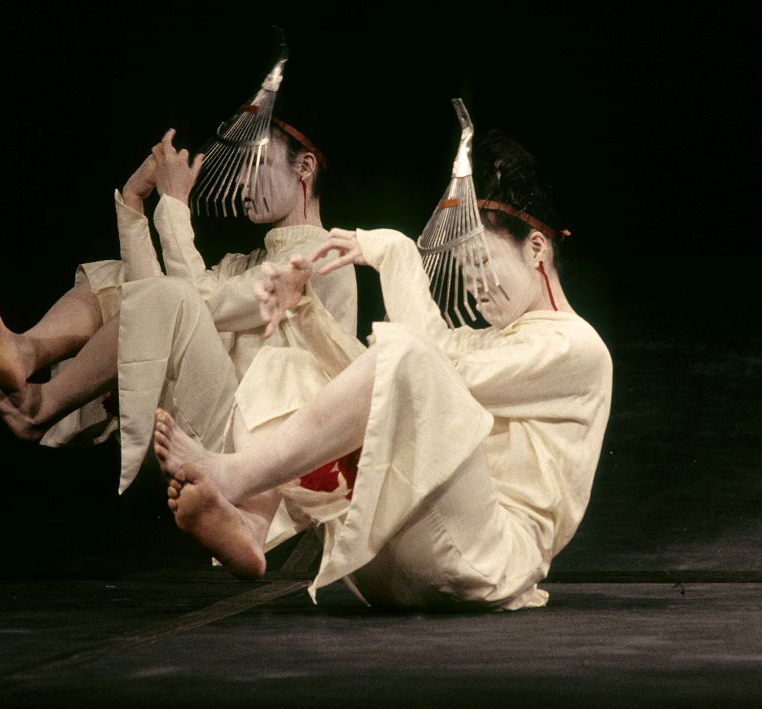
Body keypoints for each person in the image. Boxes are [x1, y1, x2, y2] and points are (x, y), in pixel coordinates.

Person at [151, 132, 613, 609]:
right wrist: (302, 311)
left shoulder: (578, 347)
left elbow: (430, 362)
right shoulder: (484, 341)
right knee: (288, 363)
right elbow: (374, 385)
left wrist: (395, 253)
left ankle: (235, 476)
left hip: (481, 559)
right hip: (388, 560)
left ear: (536, 248)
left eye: (480, 262)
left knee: (411, 355)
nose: (474, 287)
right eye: (465, 270)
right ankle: (251, 520)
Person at [0, 119, 357, 493]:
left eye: (256, 167)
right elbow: (153, 296)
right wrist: (133, 203)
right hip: (221, 419)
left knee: (174, 298)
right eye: (238, 172)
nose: (242, 185)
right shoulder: (243, 264)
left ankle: (43, 405)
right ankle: (26, 351)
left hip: (268, 451)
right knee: (118, 276)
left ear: (304, 168)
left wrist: (175, 203)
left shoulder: (323, 254)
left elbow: (196, 301)